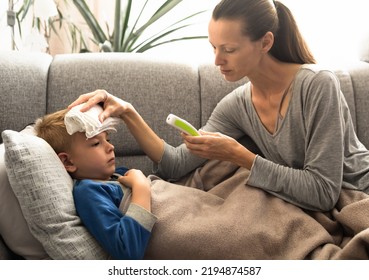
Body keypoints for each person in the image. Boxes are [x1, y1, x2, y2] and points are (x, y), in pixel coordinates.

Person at [68, 0, 369, 212]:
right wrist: (127, 111)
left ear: (265, 43)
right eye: (213, 47)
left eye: (229, 50)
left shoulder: (318, 85)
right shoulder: (238, 104)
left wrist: (241, 156)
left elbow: (323, 192)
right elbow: (175, 164)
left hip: (358, 191)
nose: (217, 61)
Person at [34, 108, 157, 260]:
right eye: (96, 143)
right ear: (67, 161)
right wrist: (141, 187)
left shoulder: (116, 175)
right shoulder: (88, 192)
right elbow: (127, 250)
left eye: (108, 139)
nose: (110, 147)